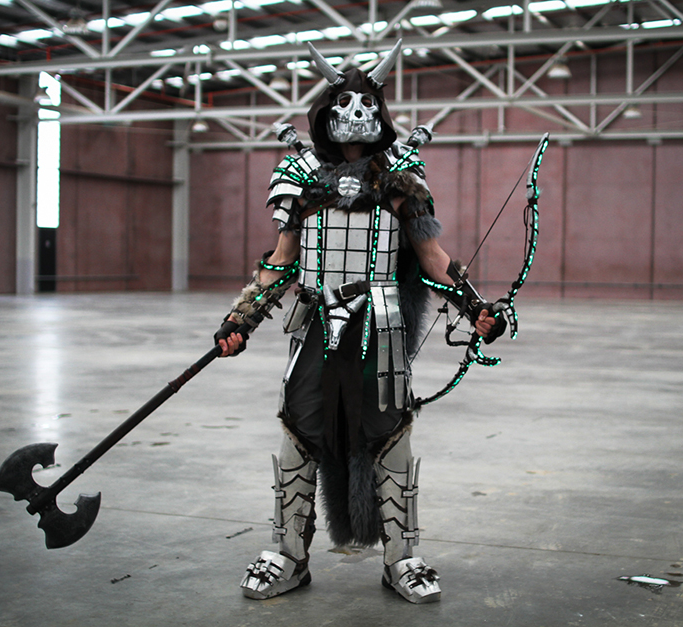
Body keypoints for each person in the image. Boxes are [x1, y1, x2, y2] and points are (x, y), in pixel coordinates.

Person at [214, 40, 503, 605]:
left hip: (381, 323)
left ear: (380, 113)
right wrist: (241, 318)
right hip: (316, 321)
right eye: (344, 104)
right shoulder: (298, 179)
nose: (355, 115)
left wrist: (477, 307)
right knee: (301, 430)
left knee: (388, 434)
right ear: (326, 112)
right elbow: (280, 260)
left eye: (366, 105)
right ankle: (289, 556)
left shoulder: (402, 178)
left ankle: (402, 558)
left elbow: (432, 260)